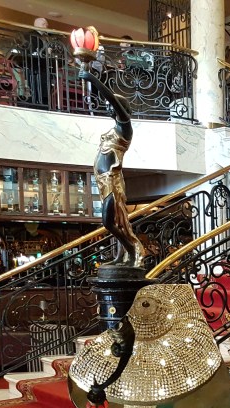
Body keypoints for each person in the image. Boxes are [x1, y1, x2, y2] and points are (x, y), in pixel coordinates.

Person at [77, 65, 145, 267]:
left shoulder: (125, 127)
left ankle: (132, 249)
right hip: (102, 180)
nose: (109, 108)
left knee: (109, 221)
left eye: (113, 106)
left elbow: (114, 101)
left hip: (112, 180)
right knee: (115, 221)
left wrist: (93, 80)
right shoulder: (114, 128)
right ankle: (120, 256)